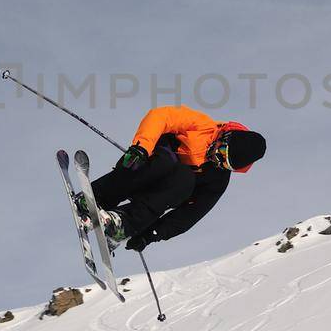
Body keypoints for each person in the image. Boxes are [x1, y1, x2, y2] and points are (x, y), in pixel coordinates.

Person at [88, 105, 267, 252]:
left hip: (159, 195)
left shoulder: (217, 181)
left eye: (225, 164)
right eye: (221, 153)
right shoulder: (203, 126)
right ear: (224, 137)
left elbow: (189, 215)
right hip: (144, 165)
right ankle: (99, 197)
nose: (217, 160)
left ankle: (122, 225)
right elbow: (162, 116)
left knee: (185, 181)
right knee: (168, 163)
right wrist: (141, 147)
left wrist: (150, 234)